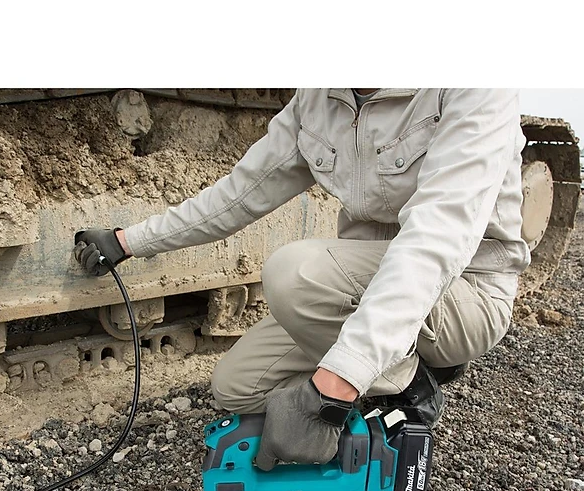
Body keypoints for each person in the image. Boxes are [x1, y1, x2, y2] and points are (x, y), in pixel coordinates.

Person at [74, 89, 529, 471]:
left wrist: (332, 391)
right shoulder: (319, 97)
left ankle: (410, 388)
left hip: (463, 291)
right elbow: (239, 193)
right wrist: (128, 241)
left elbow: (436, 239)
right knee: (236, 387)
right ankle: (390, 373)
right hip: (364, 286)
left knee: (295, 274)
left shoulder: (471, 86)